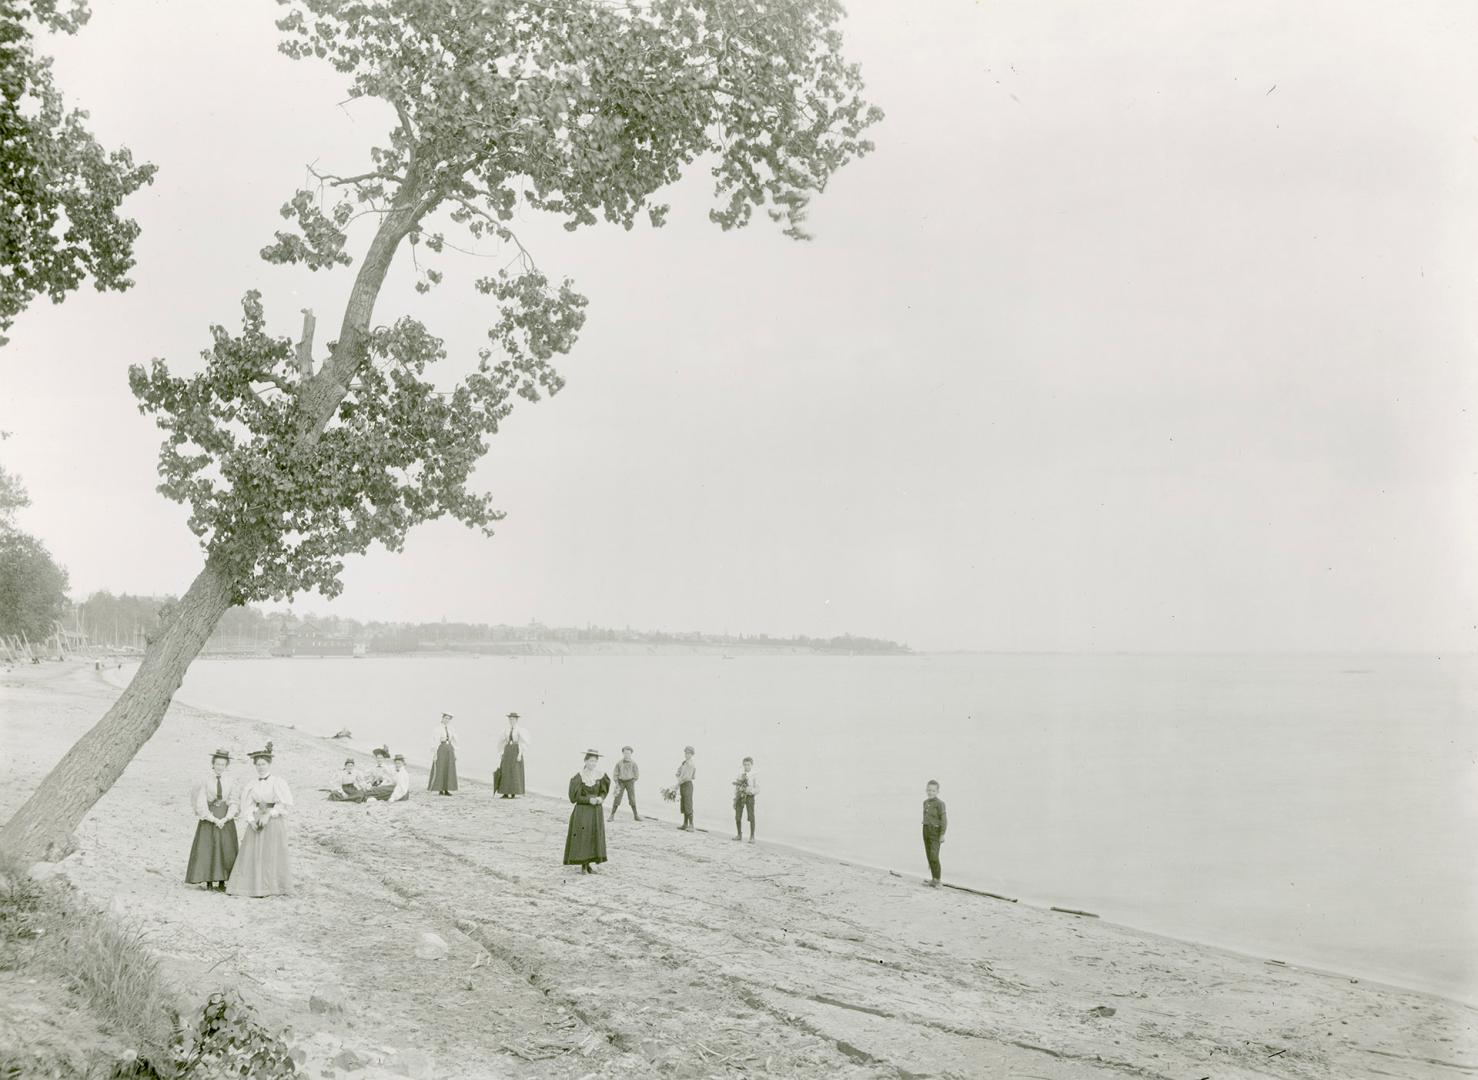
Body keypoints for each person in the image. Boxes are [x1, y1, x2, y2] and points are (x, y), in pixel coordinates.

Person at [227, 743, 293, 897]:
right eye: (258, 764)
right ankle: (253, 887)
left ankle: (271, 887)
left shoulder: (278, 782)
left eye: (263, 764)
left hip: (273, 820)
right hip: (257, 819)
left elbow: (283, 803)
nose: (261, 767)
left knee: (271, 852)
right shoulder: (252, 784)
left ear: (269, 764)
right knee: (253, 852)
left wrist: (269, 815)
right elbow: (247, 804)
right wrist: (250, 820)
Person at [186, 748, 239, 891]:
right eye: (217, 764)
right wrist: (213, 819)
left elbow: (233, 801)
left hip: (225, 818)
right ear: (213, 764)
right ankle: (209, 880)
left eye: (222, 764)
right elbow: (201, 802)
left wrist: (227, 817)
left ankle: (223, 881)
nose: (219, 767)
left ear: (226, 765)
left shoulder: (230, 781)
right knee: (209, 847)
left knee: (225, 848)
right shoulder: (205, 780)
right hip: (210, 817)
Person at [563, 750, 609, 874]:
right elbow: (574, 798)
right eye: (590, 761)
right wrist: (589, 800)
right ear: (585, 761)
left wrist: (601, 798)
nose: (593, 764)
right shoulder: (579, 777)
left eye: (595, 761)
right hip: (583, 811)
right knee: (583, 837)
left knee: (593, 836)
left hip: (596, 811)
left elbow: (604, 791)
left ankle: (589, 864)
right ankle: (583, 865)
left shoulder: (600, 775)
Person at [494, 712, 528, 798]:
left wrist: (520, 754)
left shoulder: (520, 730)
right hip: (508, 750)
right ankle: (505, 792)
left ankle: (513, 792)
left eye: (513, 719)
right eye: (510, 719)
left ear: (516, 720)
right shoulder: (506, 730)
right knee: (505, 770)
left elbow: (523, 742)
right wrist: (501, 752)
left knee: (514, 771)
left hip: (516, 750)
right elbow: (501, 741)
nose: (511, 721)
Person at [922, 779, 948, 888]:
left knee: (934, 856)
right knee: (929, 855)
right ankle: (933, 879)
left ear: (937, 791)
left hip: (935, 832)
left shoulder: (940, 804)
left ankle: (938, 880)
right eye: (929, 790)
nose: (930, 792)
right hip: (925, 830)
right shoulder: (925, 802)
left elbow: (944, 820)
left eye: (933, 790)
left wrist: (942, 834)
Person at [428, 712, 458, 795]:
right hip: (441, 748)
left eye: (448, 718)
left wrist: (455, 753)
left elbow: (455, 740)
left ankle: (447, 789)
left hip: (449, 748)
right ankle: (440, 789)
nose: (447, 720)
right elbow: (435, 741)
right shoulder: (437, 728)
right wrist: (435, 753)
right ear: (442, 718)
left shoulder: (451, 728)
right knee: (441, 768)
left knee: (449, 768)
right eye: (445, 718)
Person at [609, 745, 640, 821]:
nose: (627, 755)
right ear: (623, 753)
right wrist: (616, 782)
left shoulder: (634, 763)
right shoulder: (619, 763)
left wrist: (633, 780)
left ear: (631, 754)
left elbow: (636, 774)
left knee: (632, 798)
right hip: (620, 782)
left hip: (630, 782)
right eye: (625, 753)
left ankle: (636, 815)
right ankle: (612, 815)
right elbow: (615, 773)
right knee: (617, 798)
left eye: (628, 753)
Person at [732, 756, 757, 842]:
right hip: (740, 796)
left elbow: (758, 789)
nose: (746, 766)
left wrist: (750, 791)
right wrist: (735, 797)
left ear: (751, 765)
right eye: (745, 765)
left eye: (748, 765)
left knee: (751, 816)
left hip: (750, 797)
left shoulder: (754, 775)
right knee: (737, 816)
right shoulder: (740, 774)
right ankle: (739, 834)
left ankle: (752, 836)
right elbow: (737, 785)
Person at [674, 746, 696, 831]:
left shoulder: (690, 764)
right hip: (683, 784)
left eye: (689, 753)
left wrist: (677, 784)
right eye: (686, 753)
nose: (687, 755)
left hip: (687, 784)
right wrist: (679, 774)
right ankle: (685, 824)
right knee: (683, 803)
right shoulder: (684, 763)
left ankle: (691, 825)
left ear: (692, 754)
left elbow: (689, 777)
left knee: (688, 804)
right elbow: (679, 772)